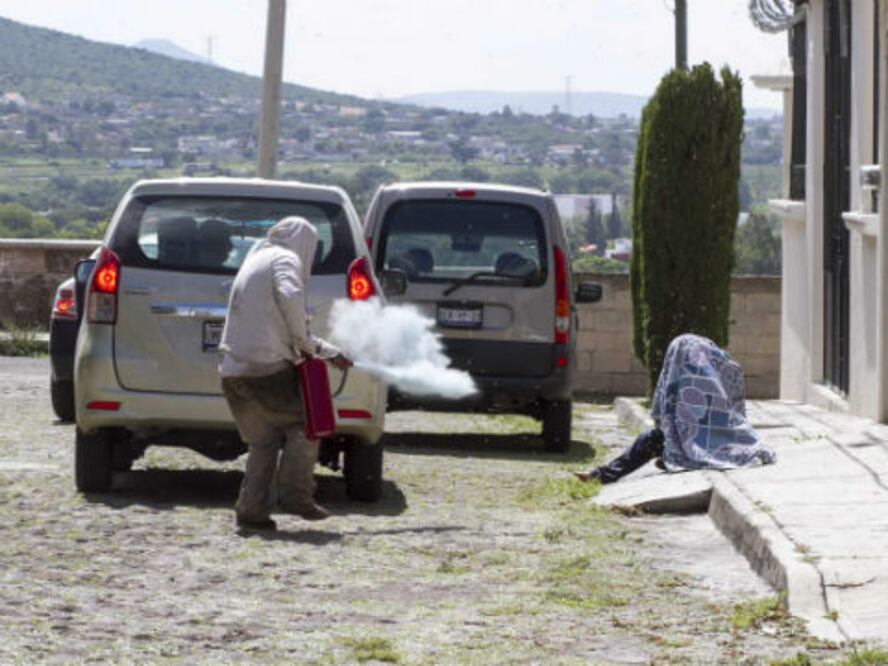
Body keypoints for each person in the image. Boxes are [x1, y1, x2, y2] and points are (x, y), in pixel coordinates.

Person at [219, 216, 351, 531]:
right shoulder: (285, 259)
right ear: (306, 243)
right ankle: (296, 497)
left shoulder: (256, 258)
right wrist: (305, 343)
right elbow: (291, 298)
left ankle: (252, 510)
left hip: (233, 372)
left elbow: (281, 327)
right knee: (306, 426)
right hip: (266, 370)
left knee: (263, 442)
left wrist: (330, 353)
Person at [576, 333, 776, 484]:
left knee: (650, 439)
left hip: (713, 444)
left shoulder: (688, 376)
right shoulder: (721, 372)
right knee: (656, 438)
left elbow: (661, 412)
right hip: (702, 442)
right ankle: (605, 473)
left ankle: (602, 475)